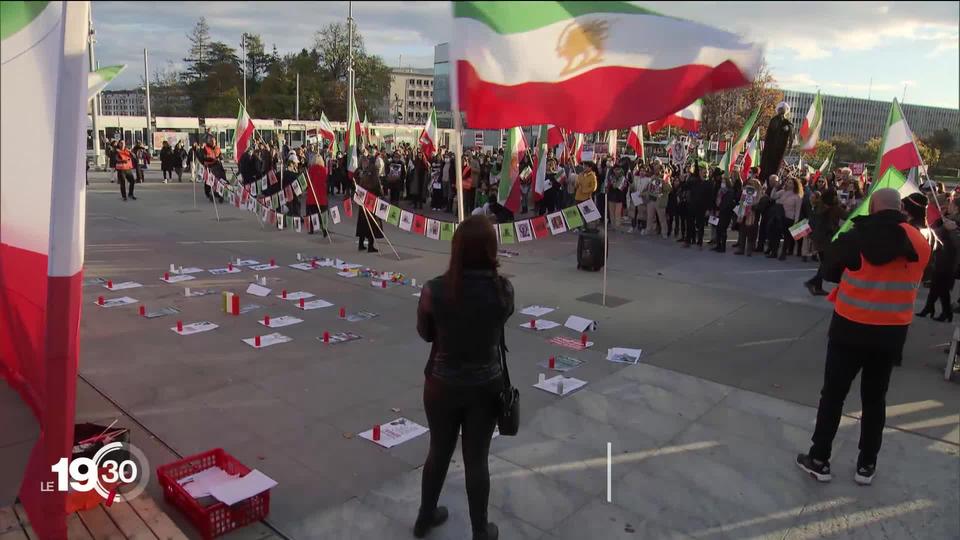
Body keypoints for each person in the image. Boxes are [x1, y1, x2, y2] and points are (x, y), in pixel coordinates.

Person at [796, 188, 931, 486]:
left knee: (833, 396)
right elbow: (919, 275)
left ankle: (819, 459)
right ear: (901, 209)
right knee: (874, 400)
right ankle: (866, 465)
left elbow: (829, 270)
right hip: (890, 334)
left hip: (849, 329)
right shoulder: (919, 241)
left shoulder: (856, 236)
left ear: (872, 207)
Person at [415, 215, 514, 540]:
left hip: (442, 384)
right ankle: (479, 530)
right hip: (485, 387)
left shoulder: (435, 289)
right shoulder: (503, 291)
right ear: (491, 249)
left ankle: (425, 517)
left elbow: (425, 334)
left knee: (438, 451)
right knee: (476, 460)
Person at [916, 197, 959, 322]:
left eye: (951, 204)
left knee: (942, 287)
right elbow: (938, 233)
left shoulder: (955, 223)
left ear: (957, 208)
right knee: (936, 285)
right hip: (941, 257)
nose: (949, 206)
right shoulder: (948, 218)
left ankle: (946, 313)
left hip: (950, 260)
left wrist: (952, 229)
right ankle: (929, 308)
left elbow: (955, 242)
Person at [804, 189, 846, 295]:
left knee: (824, 263)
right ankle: (813, 282)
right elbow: (848, 216)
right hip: (828, 239)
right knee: (828, 264)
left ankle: (817, 286)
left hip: (818, 238)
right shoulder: (835, 209)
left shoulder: (818, 207)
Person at [770, 176, 804, 260]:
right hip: (779, 216)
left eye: (791, 183)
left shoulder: (797, 196)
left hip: (789, 218)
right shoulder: (782, 192)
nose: (788, 184)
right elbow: (773, 196)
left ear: (795, 185)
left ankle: (783, 254)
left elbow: (797, 210)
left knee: (787, 237)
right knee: (776, 234)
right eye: (788, 182)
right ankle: (774, 252)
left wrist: (796, 222)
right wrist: (775, 188)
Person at [733, 172, 762, 256]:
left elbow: (759, 205)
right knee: (742, 231)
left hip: (752, 216)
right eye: (749, 183)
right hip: (743, 213)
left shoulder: (759, 194)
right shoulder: (745, 191)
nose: (750, 185)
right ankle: (741, 248)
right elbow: (741, 201)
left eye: (752, 184)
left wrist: (753, 206)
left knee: (750, 232)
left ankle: (749, 249)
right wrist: (740, 212)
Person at [356, 167, 384, 252]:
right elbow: (380, 192)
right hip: (372, 204)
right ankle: (370, 246)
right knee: (372, 225)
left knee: (363, 224)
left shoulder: (364, 178)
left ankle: (361, 244)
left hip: (363, 204)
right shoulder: (375, 179)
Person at [305, 154, 329, 238]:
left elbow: (307, 182)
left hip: (312, 195)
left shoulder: (310, 170)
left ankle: (311, 228)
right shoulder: (325, 170)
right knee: (323, 213)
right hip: (322, 196)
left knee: (311, 213)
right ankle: (324, 229)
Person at [202, 135, 225, 203]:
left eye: (214, 141)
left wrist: (221, 157)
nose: (213, 142)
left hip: (217, 166)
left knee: (220, 180)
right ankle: (208, 193)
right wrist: (211, 158)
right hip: (209, 167)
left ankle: (219, 193)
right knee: (208, 181)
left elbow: (220, 155)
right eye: (211, 141)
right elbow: (204, 157)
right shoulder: (206, 148)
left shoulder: (217, 148)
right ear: (209, 141)